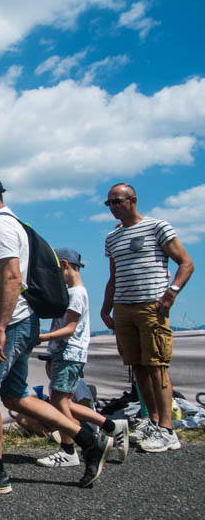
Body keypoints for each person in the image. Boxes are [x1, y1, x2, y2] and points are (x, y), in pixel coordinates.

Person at [0, 172, 111, 494]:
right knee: (15, 396)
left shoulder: (0, 226)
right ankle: (90, 439)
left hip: (11, 323)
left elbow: (11, 277)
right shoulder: (11, 224)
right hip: (21, 321)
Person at [100, 183, 194, 453]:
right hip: (124, 306)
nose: (113, 207)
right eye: (109, 204)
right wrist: (106, 309)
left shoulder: (157, 227)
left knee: (157, 366)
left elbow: (186, 263)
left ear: (133, 200)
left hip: (151, 304)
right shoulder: (112, 237)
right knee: (137, 366)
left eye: (117, 201)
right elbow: (113, 276)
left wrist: (171, 292)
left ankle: (167, 428)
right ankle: (151, 419)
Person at [36, 248, 129, 467]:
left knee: (59, 401)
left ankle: (68, 450)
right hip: (66, 352)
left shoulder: (76, 293)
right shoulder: (74, 292)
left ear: (64, 265)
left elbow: (70, 328)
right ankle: (111, 426)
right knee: (65, 401)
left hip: (68, 352)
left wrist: (42, 337)